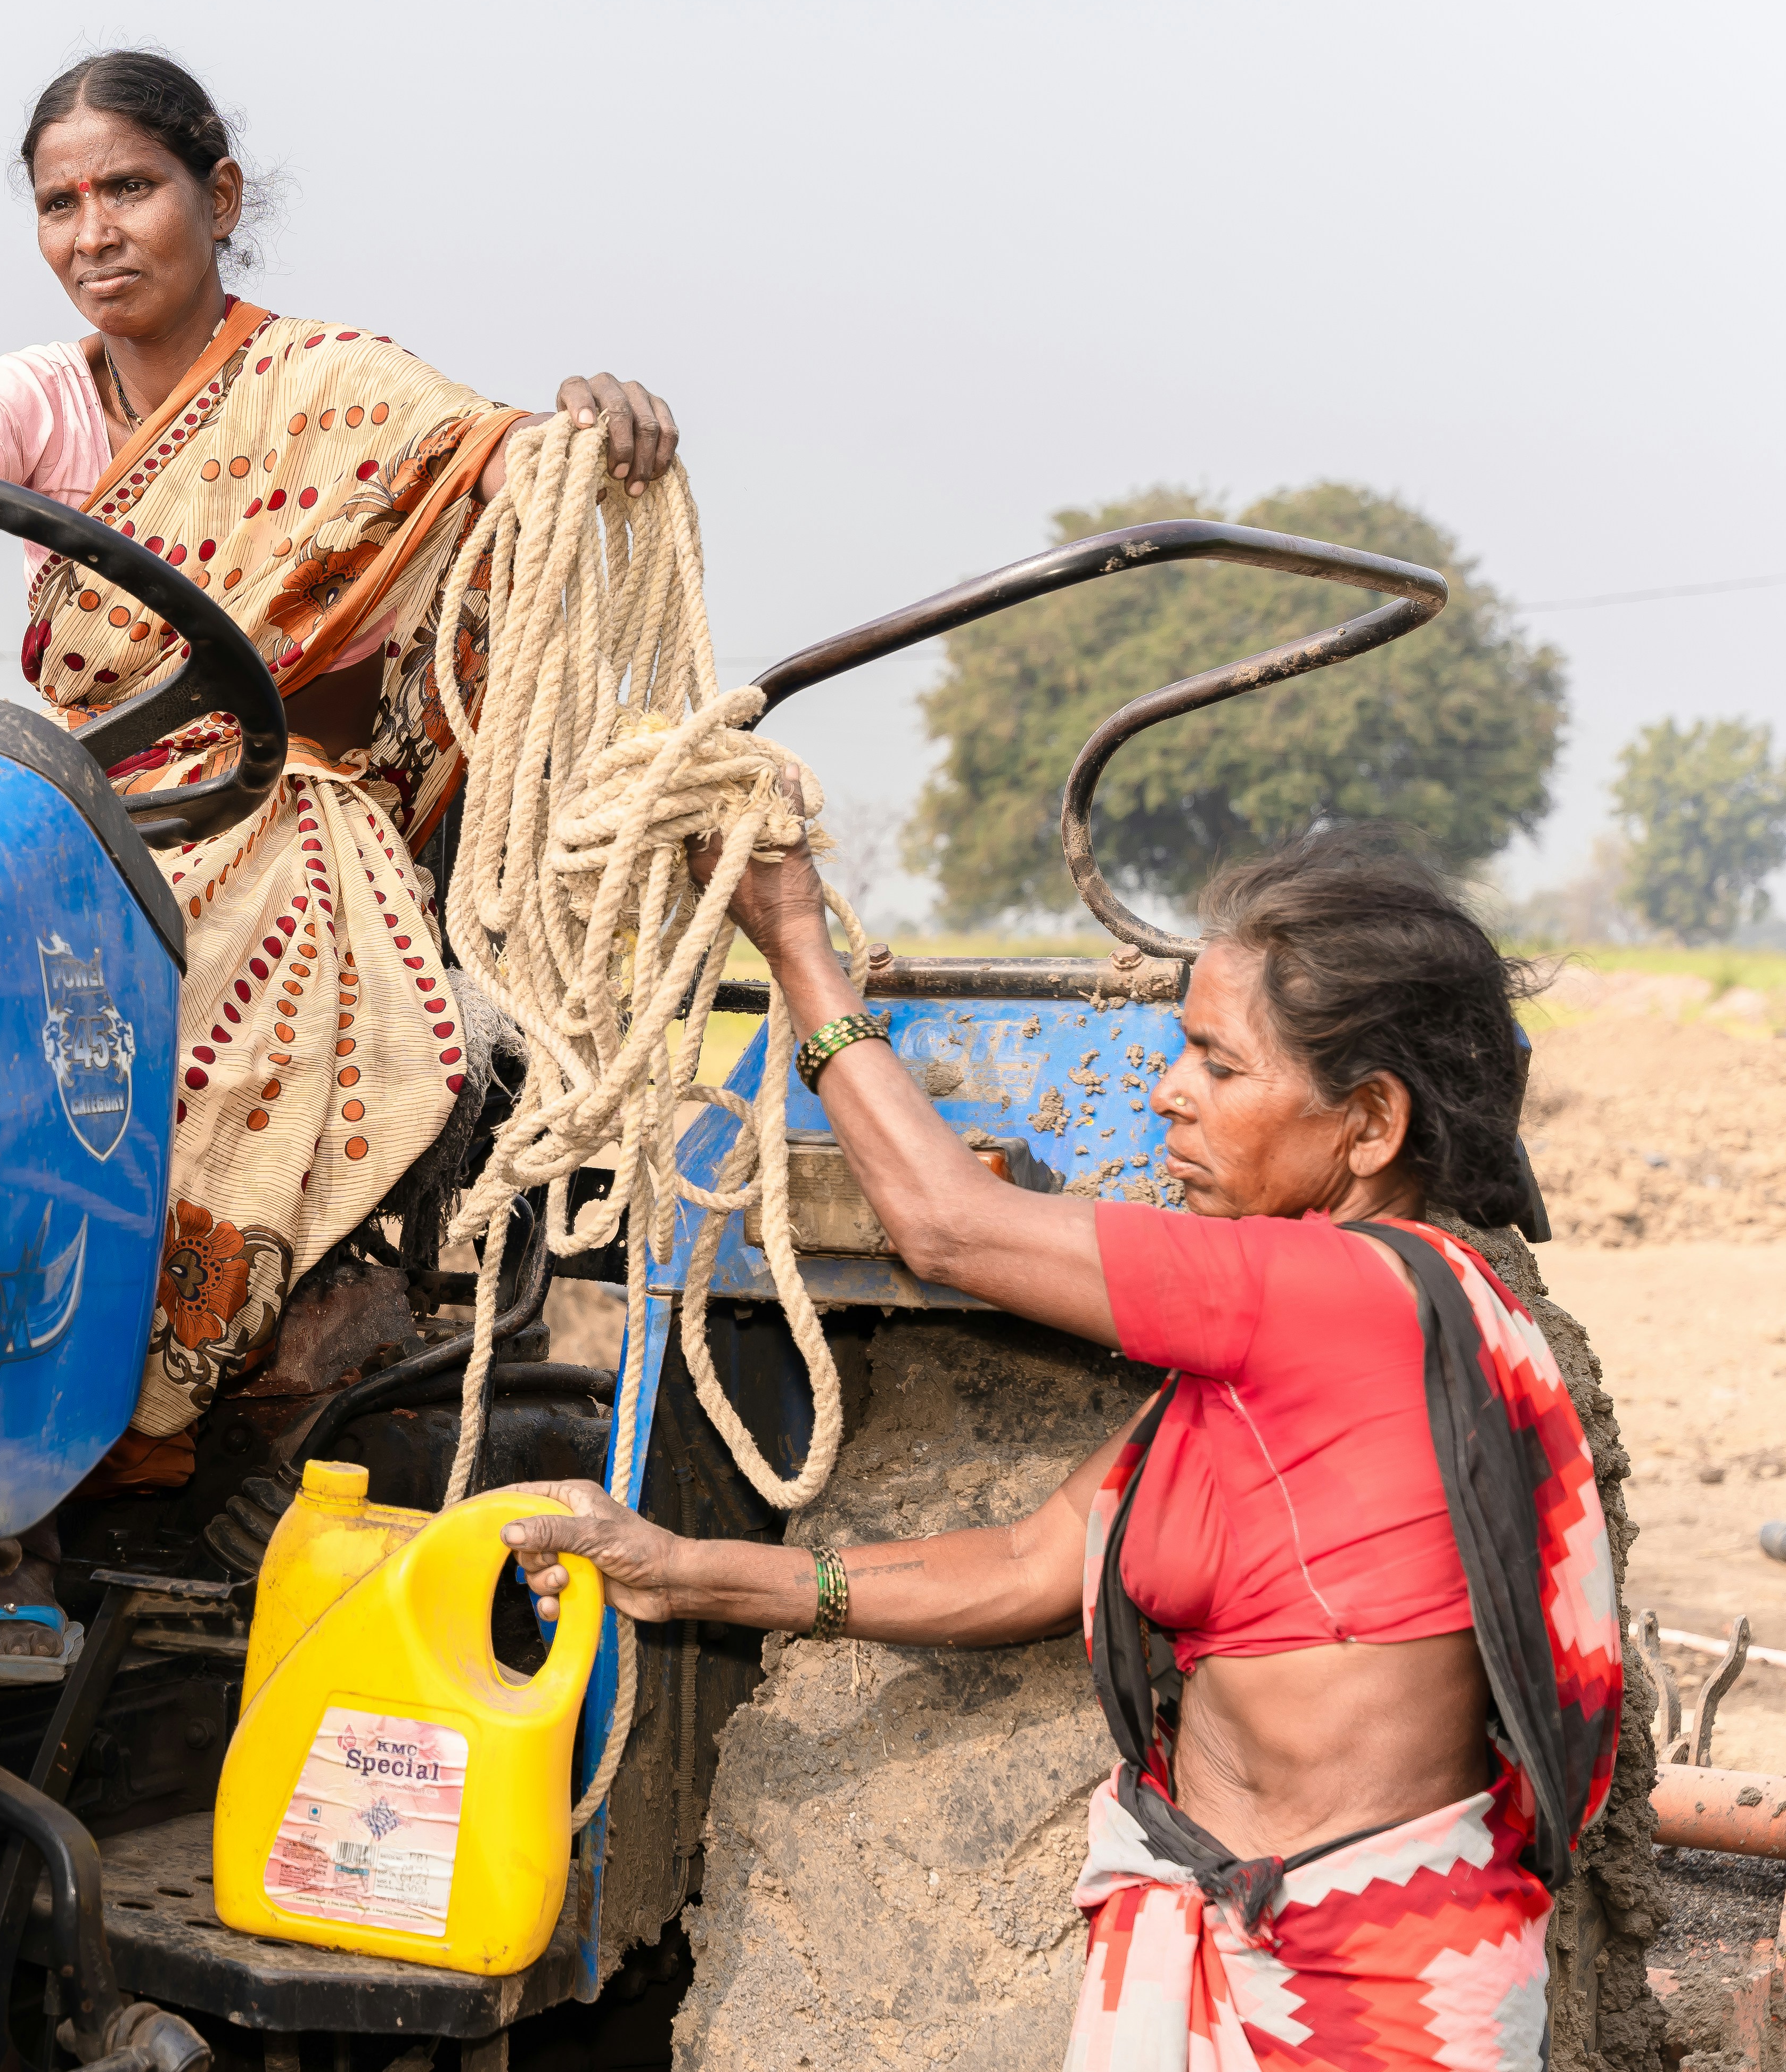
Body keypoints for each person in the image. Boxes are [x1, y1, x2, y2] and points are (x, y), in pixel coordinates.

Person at [0, 49, 681, 1678]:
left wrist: (583, 430)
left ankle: (122, 1414)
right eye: (60, 202)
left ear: (220, 200)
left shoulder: (339, 390)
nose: (95, 230)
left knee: (169, 950)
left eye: (130, 188)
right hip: (88, 793)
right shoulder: (34, 398)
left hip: (288, 800)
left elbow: (500, 477)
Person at [504, 827, 1621, 2070]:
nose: (1167, 1092)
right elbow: (1031, 1562)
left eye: (1217, 1061)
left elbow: (947, 1225)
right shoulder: (1288, 1350)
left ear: (1368, 1123)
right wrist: (680, 1569)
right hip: (1242, 1938)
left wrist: (800, 954)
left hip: (1365, 1994)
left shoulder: (1332, 1295)